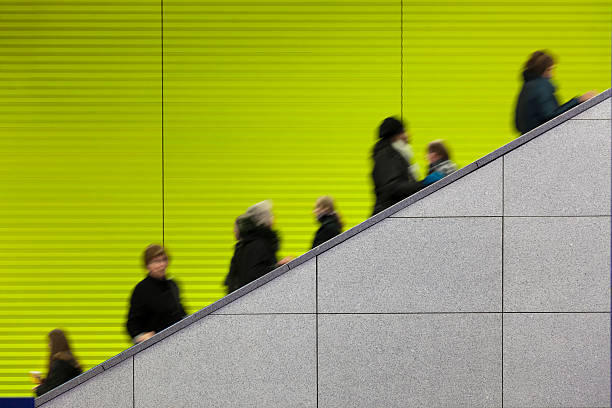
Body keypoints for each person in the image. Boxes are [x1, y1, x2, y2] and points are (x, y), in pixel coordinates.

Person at [514, 50, 597, 134]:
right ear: (543, 70)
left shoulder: (526, 86)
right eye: (550, 70)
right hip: (541, 139)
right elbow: (551, 116)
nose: (552, 75)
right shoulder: (541, 85)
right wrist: (579, 100)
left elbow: (518, 124)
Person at [224, 201, 292, 294]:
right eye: (270, 215)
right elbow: (255, 276)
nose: (273, 217)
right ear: (263, 219)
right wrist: (278, 268)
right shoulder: (259, 244)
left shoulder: (246, 243)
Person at [126, 245, 186, 344]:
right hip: (154, 347)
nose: (162, 264)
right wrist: (141, 337)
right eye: (156, 261)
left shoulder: (172, 285)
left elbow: (181, 314)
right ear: (147, 265)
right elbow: (132, 324)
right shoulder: (141, 289)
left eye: (164, 260)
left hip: (176, 342)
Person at [371, 117, 422, 215]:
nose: (407, 136)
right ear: (394, 136)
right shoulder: (387, 156)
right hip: (388, 216)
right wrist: (423, 184)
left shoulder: (394, 155)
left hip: (392, 214)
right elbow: (393, 188)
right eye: (403, 132)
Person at [33, 329, 82, 397]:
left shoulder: (60, 363)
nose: (48, 345)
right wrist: (43, 381)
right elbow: (59, 380)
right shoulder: (70, 359)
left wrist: (38, 390)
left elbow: (53, 389)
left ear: (55, 344)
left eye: (50, 342)